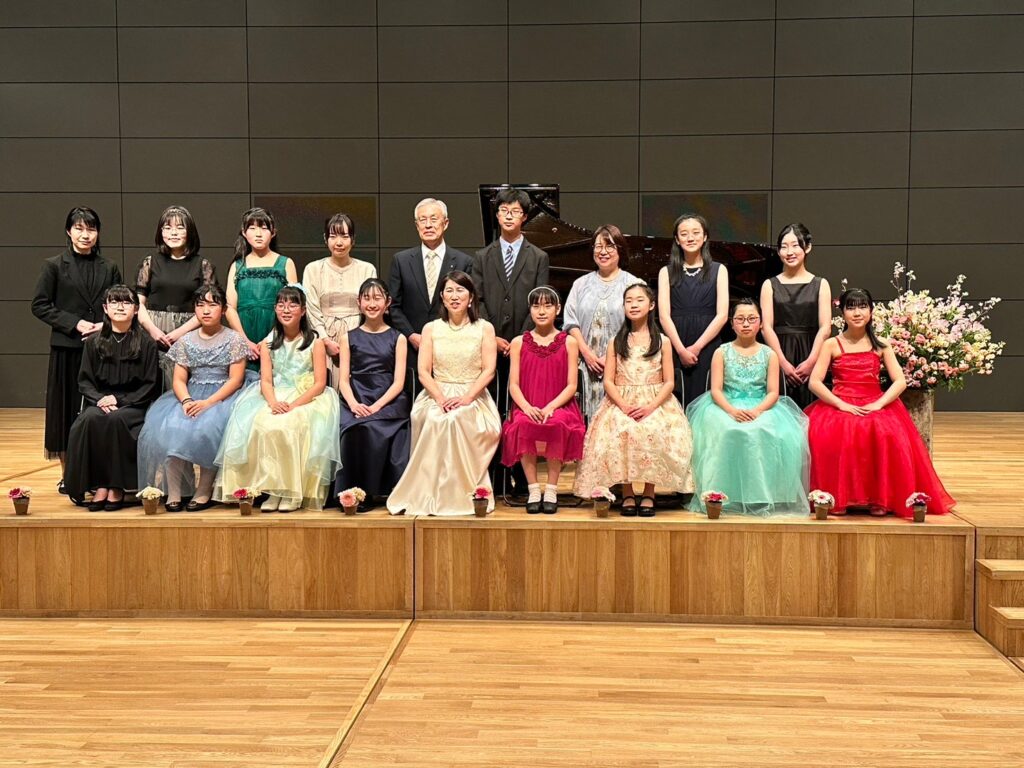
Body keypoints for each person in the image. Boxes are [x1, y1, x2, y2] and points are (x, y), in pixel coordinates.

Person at [805, 288, 955, 517]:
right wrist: (840, 404)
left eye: (862, 306)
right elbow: (814, 382)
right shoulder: (831, 344)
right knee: (833, 435)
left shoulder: (881, 344)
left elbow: (900, 381)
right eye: (851, 307)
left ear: (871, 311)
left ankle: (879, 499)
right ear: (842, 313)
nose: (857, 313)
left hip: (874, 400)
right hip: (840, 402)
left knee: (887, 433)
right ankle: (837, 498)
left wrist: (879, 403)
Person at [215, 285, 340, 512]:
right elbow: (266, 381)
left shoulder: (315, 343)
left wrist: (293, 405)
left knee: (291, 425)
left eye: (292, 304)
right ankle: (273, 489)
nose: (286, 309)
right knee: (262, 425)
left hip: (306, 397)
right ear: (275, 309)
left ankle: (292, 491)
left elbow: (320, 383)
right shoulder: (268, 343)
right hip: (275, 395)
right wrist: (273, 402)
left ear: (303, 310)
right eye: (281, 305)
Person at [387, 271, 501, 516]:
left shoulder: (485, 328)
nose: (455, 296)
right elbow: (423, 372)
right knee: (435, 418)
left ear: (471, 297)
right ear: (442, 297)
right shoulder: (431, 328)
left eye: (460, 290)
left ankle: (462, 494)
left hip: (473, 394)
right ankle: (429, 493)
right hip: (436, 392)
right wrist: (440, 398)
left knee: (458, 418)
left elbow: (489, 370)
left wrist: (466, 398)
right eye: (449, 290)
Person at [573, 283, 693, 516]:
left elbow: (669, 381)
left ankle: (649, 491)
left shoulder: (663, 341)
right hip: (622, 400)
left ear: (651, 305)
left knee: (654, 428)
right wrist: (624, 405)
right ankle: (627, 491)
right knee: (621, 429)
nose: (634, 305)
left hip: (655, 400)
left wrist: (650, 407)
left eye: (639, 300)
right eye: (628, 301)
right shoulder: (615, 341)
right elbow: (609, 381)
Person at [686, 298, 810, 516]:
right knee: (728, 430)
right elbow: (716, 390)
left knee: (766, 431)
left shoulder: (769, 354)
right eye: (740, 319)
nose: (745, 324)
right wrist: (732, 411)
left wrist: (758, 411)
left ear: (760, 323)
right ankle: (722, 495)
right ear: (732, 323)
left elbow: (773, 392)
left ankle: (764, 495)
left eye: (752, 319)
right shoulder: (721, 352)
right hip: (726, 405)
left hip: (761, 405)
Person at [31, 206, 122, 494]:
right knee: (65, 411)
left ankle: (97, 474)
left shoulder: (109, 267)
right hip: (67, 349)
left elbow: (119, 302)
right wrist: (75, 323)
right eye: (79, 228)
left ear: (98, 233)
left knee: (98, 411)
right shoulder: (54, 266)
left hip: (102, 350)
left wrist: (104, 324)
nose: (85, 234)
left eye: (91, 229)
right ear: (69, 232)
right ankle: (68, 475)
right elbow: (40, 305)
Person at [137, 284, 249, 511]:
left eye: (213, 305)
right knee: (171, 427)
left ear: (223, 309)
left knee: (209, 427)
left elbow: (235, 380)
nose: (206, 310)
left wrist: (208, 403)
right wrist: (187, 401)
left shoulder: (234, 339)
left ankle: (204, 489)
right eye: (200, 305)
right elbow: (179, 380)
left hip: (222, 395)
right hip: (191, 393)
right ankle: (175, 491)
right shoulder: (186, 340)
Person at [472, 188, 551, 495]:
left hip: (525, 345)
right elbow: (477, 299)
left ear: (524, 217)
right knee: (493, 409)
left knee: (519, 411)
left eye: (515, 211)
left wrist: (520, 338)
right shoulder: (482, 257)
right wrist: (493, 336)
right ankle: (495, 475)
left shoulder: (539, 257)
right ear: (496, 215)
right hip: (490, 345)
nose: (508, 215)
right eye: (504, 210)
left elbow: (540, 301)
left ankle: (520, 473)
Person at [64, 285, 160, 510]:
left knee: (116, 420)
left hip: (134, 403)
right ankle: (100, 484)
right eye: (114, 302)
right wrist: (100, 399)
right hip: (101, 401)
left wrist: (120, 401)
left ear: (136, 309)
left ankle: (117, 486)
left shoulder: (146, 343)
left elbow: (150, 384)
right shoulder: (94, 341)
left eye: (126, 302)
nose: (120, 307)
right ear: (105, 309)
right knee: (89, 420)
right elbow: (85, 381)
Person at [501, 286, 585, 514]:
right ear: (529, 309)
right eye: (536, 306)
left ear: (558, 309)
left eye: (548, 306)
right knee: (522, 424)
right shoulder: (519, 342)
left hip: (559, 405)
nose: (541, 311)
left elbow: (572, 385)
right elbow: (513, 384)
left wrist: (550, 407)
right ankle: (533, 488)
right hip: (527, 404)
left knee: (557, 424)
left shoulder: (569, 342)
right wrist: (527, 407)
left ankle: (551, 489)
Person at [335, 278, 410, 508]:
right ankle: (356, 494)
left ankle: (385, 491)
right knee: (356, 428)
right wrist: (354, 404)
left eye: (377, 298)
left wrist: (377, 406)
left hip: (388, 399)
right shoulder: (348, 337)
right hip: (356, 396)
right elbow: (343, 380)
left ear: (388, 303)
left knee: (376, 426)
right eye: (366, 298)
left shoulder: (399, 338)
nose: (372, 303)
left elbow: (398, 382)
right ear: (359, 303)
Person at [134, 205, 218, 390]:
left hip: (189, 331)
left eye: (180, 228)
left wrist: (179, 333)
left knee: (184, 387)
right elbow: (138, 303)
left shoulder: (203, 265)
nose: (173, 233)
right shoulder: (149, 262)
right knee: (150, 386)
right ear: (161, 232)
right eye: (167, 228)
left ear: (190, 232)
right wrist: (153, 330)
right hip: (152, 329)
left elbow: (208, 308)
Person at [562, 224, 641, 419]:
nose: (603, 252)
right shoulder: (580, 284)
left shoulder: (634, 284)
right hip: (584, 363)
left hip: (622, 361)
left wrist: (612, 356)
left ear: (620, 249)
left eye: (610, 246)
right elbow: (570, 322)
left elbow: (638, 327)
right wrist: (587, 353)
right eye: (598, 246)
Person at [387, 198, 473, 374]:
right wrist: (411, 335)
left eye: (434, 219)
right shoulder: (401, 261)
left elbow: (468, 305)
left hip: (452, 347)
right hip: (412, 347)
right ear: (416, 225)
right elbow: (393, 305)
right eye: (422, 220)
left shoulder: (464, 262)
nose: (428, 225)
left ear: (445, 223)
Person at [658, 213, 729, 408]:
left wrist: (697, 347)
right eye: (684, 234)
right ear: (677, 239)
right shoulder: (666, 272)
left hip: (708, 342)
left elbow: (722, 315)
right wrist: (681, 350)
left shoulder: (719, 270)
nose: (690, 238)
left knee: (706, 399)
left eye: (696, 233)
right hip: (675, 341)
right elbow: (664, 316)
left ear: (705, 237)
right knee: (676, 400)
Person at [760, 223, 832, 409]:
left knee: (811, 410)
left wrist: (811, 362)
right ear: (778, 251)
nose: (789, 252)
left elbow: (825, 328)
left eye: (795, 245)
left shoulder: (821, 284)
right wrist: (782, 362)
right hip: (779, 351)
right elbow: (766, 327)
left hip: (811, 350)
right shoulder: (769, 285)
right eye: (784, 247)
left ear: (807, 247)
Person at [302, 212, 377, 386]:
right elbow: (311, 308)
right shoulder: (313, 269)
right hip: (322, 338)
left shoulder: (367, 269)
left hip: (359, 337)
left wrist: (357, 340)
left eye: (344, 236)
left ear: (353, 239)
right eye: (333, 236)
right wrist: (325, 340)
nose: (339, 242)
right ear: (325, 239)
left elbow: (372, 308)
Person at [224, 207, 297, 377]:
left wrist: (270, 339)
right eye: (252, 228)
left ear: (273, 233)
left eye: (264, 228)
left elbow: (294, 305)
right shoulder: (237, 266)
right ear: (244, 232)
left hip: (278, 333)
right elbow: (229, 307)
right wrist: (245, 341)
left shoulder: (286, 263)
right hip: (244, 334)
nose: (258, 234)